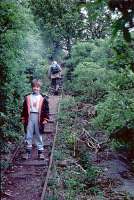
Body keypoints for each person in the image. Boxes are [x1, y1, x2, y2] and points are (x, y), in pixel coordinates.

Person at [21, 79, 49, 160]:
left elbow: (46, 109)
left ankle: (40, 152)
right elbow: (24, 109)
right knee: (28, 134)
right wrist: (23, 117)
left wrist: (45, 119)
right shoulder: (28, 97)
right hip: (29, 117)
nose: (35, 88)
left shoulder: (43, 98)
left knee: (38, 134)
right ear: (32, 88)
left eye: (37, 87)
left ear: (40, 88)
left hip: (39, 118)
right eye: (34, 87)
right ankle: (27, 152)